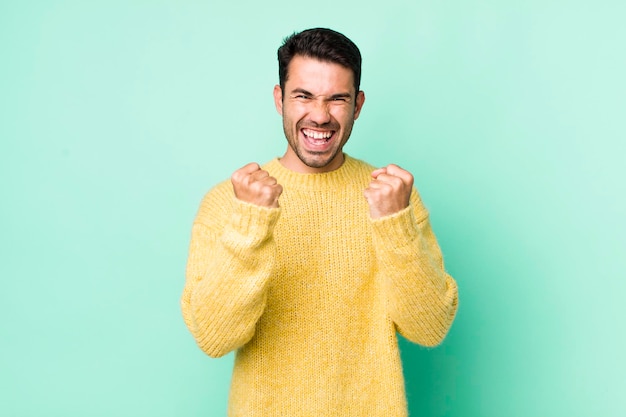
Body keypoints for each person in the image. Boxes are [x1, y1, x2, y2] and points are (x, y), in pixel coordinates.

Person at [181, 27, 458, 417]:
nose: (320, 115)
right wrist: (250, 223)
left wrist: (395, 224)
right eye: (304, 96)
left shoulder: (393, 196)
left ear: (358, 105)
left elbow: (428, 328)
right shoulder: (231, 201)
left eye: (338, 99)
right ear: (280, 99)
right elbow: (215, 337)